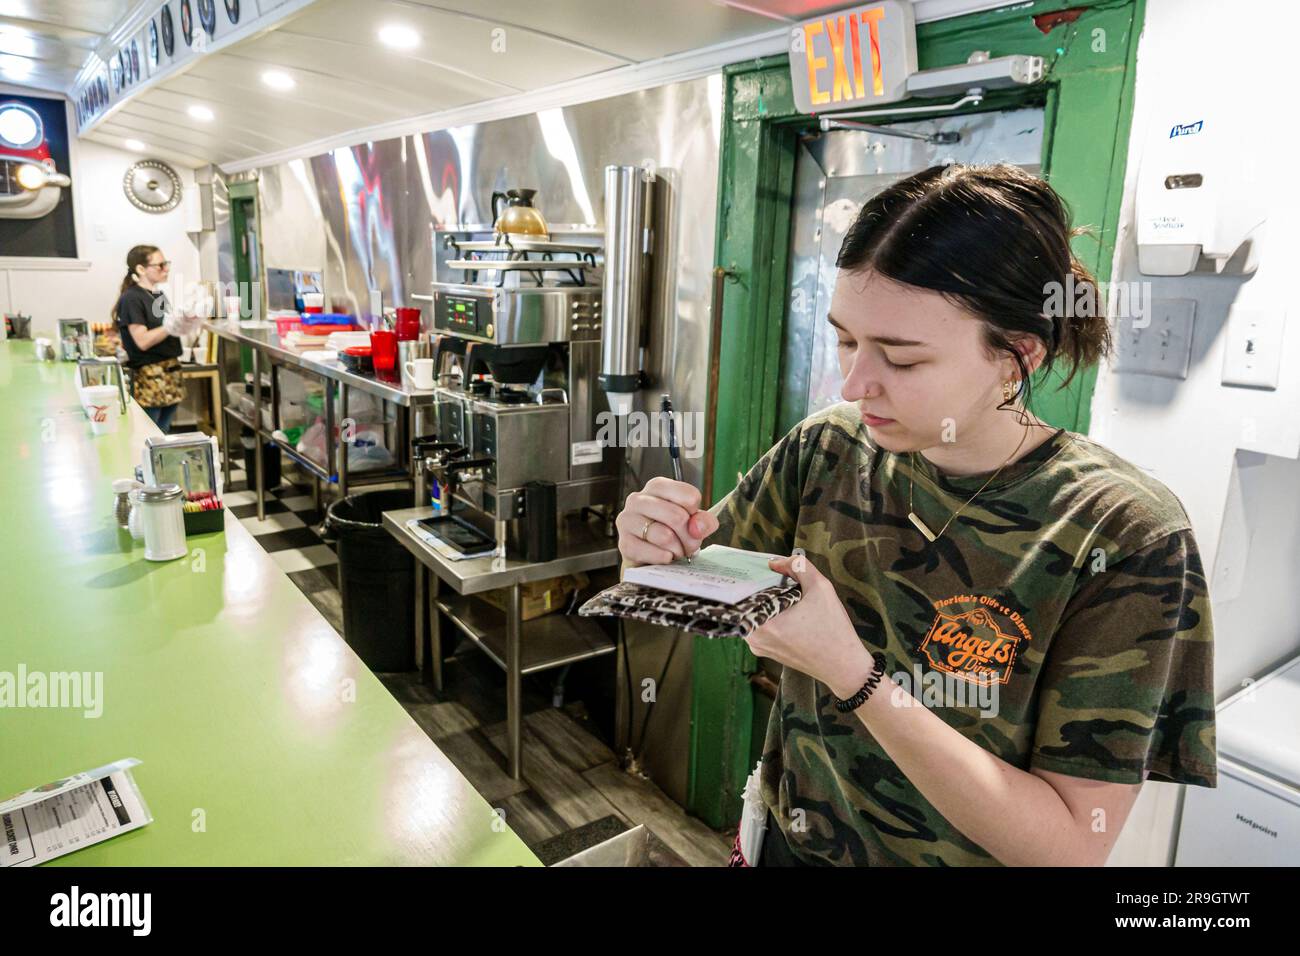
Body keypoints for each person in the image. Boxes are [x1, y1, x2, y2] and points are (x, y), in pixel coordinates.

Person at [617, 163, 1216, 867]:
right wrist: (648, 546)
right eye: (845, 340)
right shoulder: (829, 447)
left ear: (1015, 356)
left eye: (900, 359)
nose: (854, 383)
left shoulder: (1123, 534)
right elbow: (668, 587)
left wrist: (854, 676)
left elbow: (1066, 846)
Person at [113, 245, 200, 433]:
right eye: (160, 265)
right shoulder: (131, 299)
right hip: (151, 378)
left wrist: (186, 321)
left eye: (166, 264)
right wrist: (170, 325)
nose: (166, 269)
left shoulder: (157, 295)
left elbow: (166, 331)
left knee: (163, 430)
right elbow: (142, 341)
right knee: (149, 433)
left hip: (170, 374)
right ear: (141, 269)